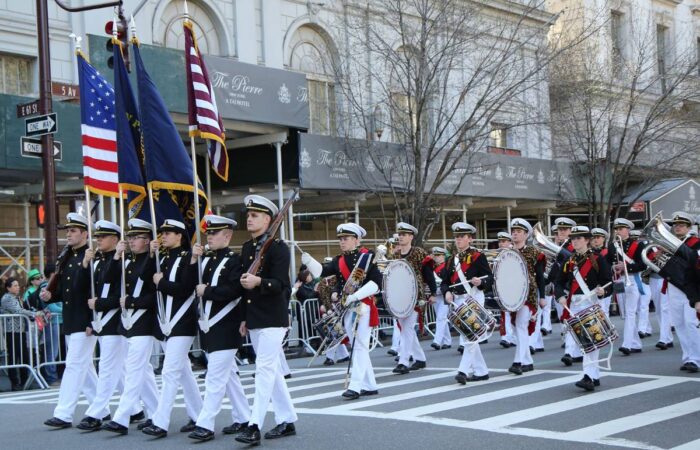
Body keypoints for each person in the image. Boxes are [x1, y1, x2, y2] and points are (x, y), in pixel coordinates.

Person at [235, 195, 297, 445]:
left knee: (263, 370)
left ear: (269, 219)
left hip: (273, 317)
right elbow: (244, 290)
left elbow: (283, 284)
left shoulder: (279, 248)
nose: (249, 219)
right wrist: (243, 317)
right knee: (270, 371)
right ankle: (287, 419)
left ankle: (254, 425)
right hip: (255, 317)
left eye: (255, 215)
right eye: (248, 215)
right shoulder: (248, 248)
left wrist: (260, 281)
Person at [183, 215, 250, 442]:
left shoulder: (234, 260)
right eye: (208, 233)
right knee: (229, 376)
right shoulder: (206, 259)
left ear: (228, 235)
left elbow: (234, 291)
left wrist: (207, 290)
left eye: (214, 233)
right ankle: (243, 417)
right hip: (209, 326)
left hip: (226, 326)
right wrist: (193, 258)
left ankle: (206, 424)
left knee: (215, 378)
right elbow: (188, 282)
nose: (209, 237)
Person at [304, 222, 383, 400]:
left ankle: (355, 386)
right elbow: (322, 272)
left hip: (363, 306)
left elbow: (376, 283)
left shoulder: (367, 257)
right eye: (340, 239)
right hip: (347, 307)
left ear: (356, 240)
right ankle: (370, 385)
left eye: (345, 238)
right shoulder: (338, 260)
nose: (342, 242)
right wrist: (309, 261)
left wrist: (355, 296)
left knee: (359, 346)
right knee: (359, 345)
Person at [142, 219, 203, 437]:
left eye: (168, 233)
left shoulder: (189, 258)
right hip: (166, 323)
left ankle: (161, 422)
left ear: (179, 236)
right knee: (184, 372)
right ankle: (199, 415)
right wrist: (151, 256)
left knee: (169, 372)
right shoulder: (163, 258)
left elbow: (185, 289)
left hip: (182, 323)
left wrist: (161, 283)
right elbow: (145, 280)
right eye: (162, 232)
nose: (163, 236)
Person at [42, 213, 102, 428]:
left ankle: (64, 413)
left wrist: (90, 321)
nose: (68, 234)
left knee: (75, 365)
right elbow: (68, 291)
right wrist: (52, 295)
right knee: (84, 369)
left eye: (73, 231)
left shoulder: (91, 257)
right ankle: (101, 408)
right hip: (71, 318)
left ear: (85, 234)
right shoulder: (66, 256)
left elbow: (92, 289)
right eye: (67, 231)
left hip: (84, 320)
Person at [102, 218, 161, 435]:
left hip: (144, 322)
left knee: (135, 369)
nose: (132, 241)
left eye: (137, 237)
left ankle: (122, 417)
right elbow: (107, 280)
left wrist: (154, 254)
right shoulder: (127, 261)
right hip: (127, 323)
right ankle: (156, 413)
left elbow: (153, 294)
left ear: (148, 241)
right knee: (142, 371)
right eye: (130, 237)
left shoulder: (153, 260)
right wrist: (117, 255)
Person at [77, 220, 134, 431]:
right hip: (100, 320)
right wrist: (84, 264)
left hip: (117, 320)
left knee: (108, 368)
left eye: (103, 236)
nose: (98, 240)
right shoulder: (97, 260)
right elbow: (82, 288)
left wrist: (119, 256)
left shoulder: (123, 260)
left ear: (115, 239)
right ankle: (137, 409)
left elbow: (120, 293)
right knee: (126, 371)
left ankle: (97, 411)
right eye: (98, 236)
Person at [555, 226, 612, 391]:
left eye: (579, 238)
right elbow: (558, 282)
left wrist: (603, 290)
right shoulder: (570, 261)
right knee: (584, 340)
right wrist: (560, 296)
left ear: (587, 240)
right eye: (573, 238)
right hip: (574, 304)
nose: (575, 241)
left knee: (591, 339)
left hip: (592, 301)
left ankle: (588, 376)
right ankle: (594, 376)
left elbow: (608, 281)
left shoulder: (597, 258)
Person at [441, 223, 493, 384]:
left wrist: (480, 282)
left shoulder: (478, 256)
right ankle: (481, 371)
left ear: (470, 239)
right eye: (457, 237)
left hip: (474, 297)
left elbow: (489, 278)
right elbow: (444, 282)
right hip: (458, 300)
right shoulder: (451, 260)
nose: (458, 240)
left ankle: (462, 371)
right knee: (469, 336)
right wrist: (447, 292)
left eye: (462, 237)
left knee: (470, 336)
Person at [657, 211, 700, 373]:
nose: (677, 228)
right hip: (673, 286)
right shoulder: (669, 244)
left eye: (681, 225)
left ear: (689, 227)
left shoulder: (696, 243)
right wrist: (659, 256)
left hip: (690, 288)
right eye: (675, 225)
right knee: (679, 323)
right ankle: (688, 356)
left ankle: (696, 358)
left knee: (691, 323)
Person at [391, 222, 437, 374]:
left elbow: (428, 274)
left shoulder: (418, 253)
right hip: (399, 296)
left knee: (408, 327)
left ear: (411, 237)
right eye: (400, 234)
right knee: (405, 328)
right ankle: (420, 358)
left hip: (416, 295)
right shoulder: (395, 255)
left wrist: (433, 293)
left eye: (404, 234)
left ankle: (403, 361)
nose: (401, 237)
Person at [507, 218, 546, 375]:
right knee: (517, 327)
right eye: (513, 231)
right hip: (511, 295)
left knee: (521, 325)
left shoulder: (534, 252)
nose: (515, 234)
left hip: (528, 294)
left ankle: (518, 362)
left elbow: (540, 277)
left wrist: (542, 296)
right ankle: (528, 361)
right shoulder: (508, 252)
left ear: (525, 234)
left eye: (518, 232)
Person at [606, 218, 646, 356]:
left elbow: (643, 264)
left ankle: (627, 344)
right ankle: (636, 343)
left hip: (633, 280)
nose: (618, 231)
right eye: (616, 229)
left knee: (630, 312)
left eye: (621, 229)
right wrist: (614, 268)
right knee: (625, 313)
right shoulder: (612, 246)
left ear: (628, 230)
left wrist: (627, 266)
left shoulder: (637, 245)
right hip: (620, 281)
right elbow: (607, 264)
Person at [1, 277, 38, 390]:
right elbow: (18, 311)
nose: (18, 287)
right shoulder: (7, 298)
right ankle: (15, 383)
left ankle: (24, 381)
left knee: (23, 355)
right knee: (14, 357)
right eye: (15, 285)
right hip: (12, 331)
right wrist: (34, 314)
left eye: (18, 285)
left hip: (20, 330)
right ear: (8, 288)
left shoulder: (16, 297)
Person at [496, 231, 517, 348]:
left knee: (515, 314)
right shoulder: (499, 254)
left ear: (510, 242)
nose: (501, 244)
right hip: (503, 286)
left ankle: (512, 337)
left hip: (514, 286)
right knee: (505, 313)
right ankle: (507, 337)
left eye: (503, 241)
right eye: (500, 241)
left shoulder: (514, 252)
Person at [429, 247, 452, 350]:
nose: (436, 257)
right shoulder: (432, 268)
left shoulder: (446, 268)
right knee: (440, 317)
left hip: (445, 295)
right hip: (435, 296)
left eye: (438, 255)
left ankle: (437, 341)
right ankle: (447, 341)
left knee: (441, 317)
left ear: (443, 256)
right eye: (435, 255)